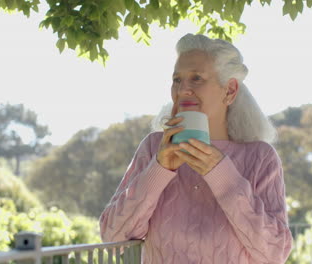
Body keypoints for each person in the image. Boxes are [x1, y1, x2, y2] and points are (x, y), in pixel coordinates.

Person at [99, 33, 293, 264]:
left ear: (230, 90)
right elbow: (112, 237)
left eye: (197, 78)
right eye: (177, 80)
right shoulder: (154, 148)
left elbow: (275, 253)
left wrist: (222, 174)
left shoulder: (260, 157)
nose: (183, 90)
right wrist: (158, 170)